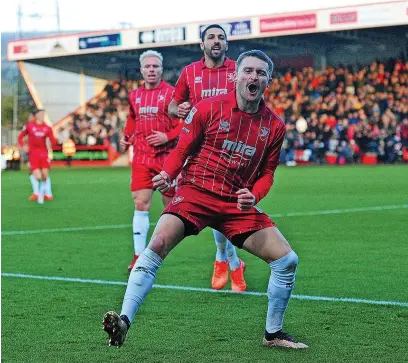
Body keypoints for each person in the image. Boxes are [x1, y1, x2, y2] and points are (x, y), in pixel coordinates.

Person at [103, 50, 308, 349]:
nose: (253, 77)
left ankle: (273, 334)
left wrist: (256, 194)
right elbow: (182, 149)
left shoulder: (274, 125)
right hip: (196, 192)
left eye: (260, 73)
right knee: (157, 244)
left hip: (235, 204)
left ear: (269, 81)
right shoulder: (208, 108)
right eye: (248, 71)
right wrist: (169, 173)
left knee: (287, 260)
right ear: (235, 76)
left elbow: (268, 173)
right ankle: (124, 322)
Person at [168, 24, 246, 292]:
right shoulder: (189, 72)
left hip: (233, 149)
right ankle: (230, 261)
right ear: (202, 44)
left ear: (227, 44)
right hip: (199, 149)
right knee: (214, 205)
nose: (216, 41)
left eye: (221, 37)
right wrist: (179, 109)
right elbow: (172, 104)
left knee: (221, 204)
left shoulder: (239, 69)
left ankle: (226, 260)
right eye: (211, 37)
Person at [121, 50, 183, 271]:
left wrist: (168, 136)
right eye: (147, 66)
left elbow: (185, 123)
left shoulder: (172, 94)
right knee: (140, 203)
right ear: (141, 70)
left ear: (161, 69)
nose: (151, 70)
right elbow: (132, 118)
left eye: (155, 66)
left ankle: (163, 249)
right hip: (142, 157)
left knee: (171, 208)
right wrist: (126, 136)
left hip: (167, 158)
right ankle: (138, 255)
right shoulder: (134, 95)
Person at [18, 109, 56, 204]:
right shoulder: (29, 126)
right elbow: (20, 137)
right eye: (41, 114)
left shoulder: (47, 128)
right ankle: (39, 193)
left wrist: (55, 140)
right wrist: (23, 146)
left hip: (44, 154)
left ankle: (45, 194)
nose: (43, 116)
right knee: (37, 175)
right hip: (33, 154)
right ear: (36, 115)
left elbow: (53, 141)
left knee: (45, 176)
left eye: (44, 114)